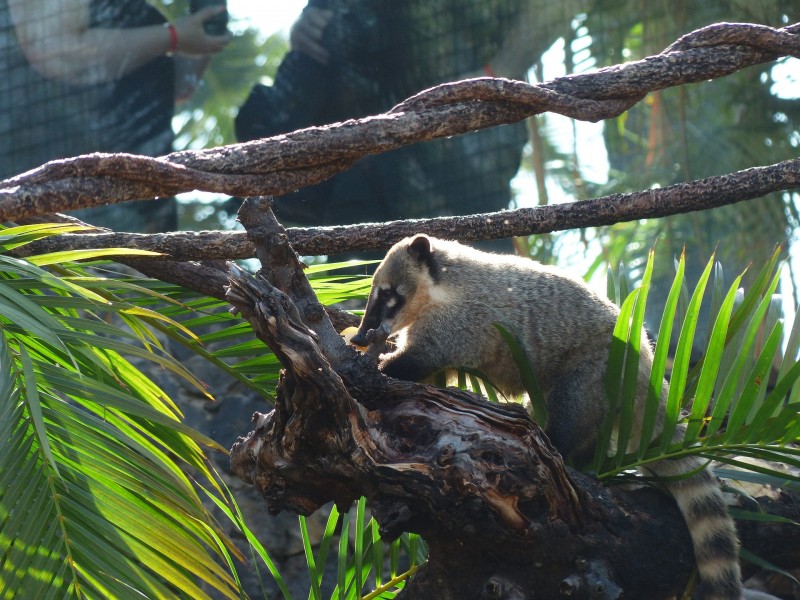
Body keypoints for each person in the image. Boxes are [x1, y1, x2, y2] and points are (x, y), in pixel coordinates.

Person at [235, 0, 534, 248]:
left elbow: (554, 10)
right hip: (365, 184)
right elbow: (321, 26)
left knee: (478, 282)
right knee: (358, 304)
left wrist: (498, 70)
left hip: (463, 166)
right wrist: (305, 29)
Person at [0, 0, 230, 232]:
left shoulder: (133, 15)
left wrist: (207, 20)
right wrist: (172, 36)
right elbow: (56, 51)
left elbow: (182, 85)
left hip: (137, 209)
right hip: (39, 194)